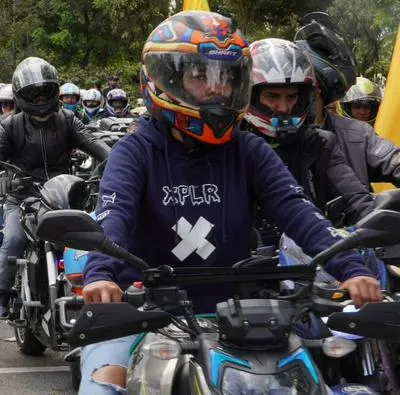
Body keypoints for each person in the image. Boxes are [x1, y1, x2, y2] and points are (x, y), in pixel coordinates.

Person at [79, 11, 381, 394]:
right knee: (104, 385)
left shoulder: (248, 149)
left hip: (241, 317)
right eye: (200, 76)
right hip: (143, 314)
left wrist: (352, 268)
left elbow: (298, 211)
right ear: (162, 80)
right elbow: (113, 217)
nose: (217, 91)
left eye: (226, 78)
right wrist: (102, 275)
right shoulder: (135, 152)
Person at [0, 57, 111, 317]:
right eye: (33, 95)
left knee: (88, 241)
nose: (40, 100)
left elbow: (98, 146)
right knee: (14, 239)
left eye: (45, 93)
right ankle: (3, 295)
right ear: (21, 96)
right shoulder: (9, 126)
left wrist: (117, 164)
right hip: (24, 196)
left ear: (54, 92)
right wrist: (7, 178)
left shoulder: (68, 120)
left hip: (63, 196)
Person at [244, 38, 374, 227]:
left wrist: (375, 223)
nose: (284, 107)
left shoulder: (319, 144)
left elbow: (356, 201)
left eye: (292, 96)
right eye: (272, 96)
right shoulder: (233, 147)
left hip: (314, 248)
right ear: (250, 96)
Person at [295, 12, 400, 190]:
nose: (284, 106)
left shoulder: (358, 135)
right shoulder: (267, 143)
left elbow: (392, 159)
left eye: (313, 90)